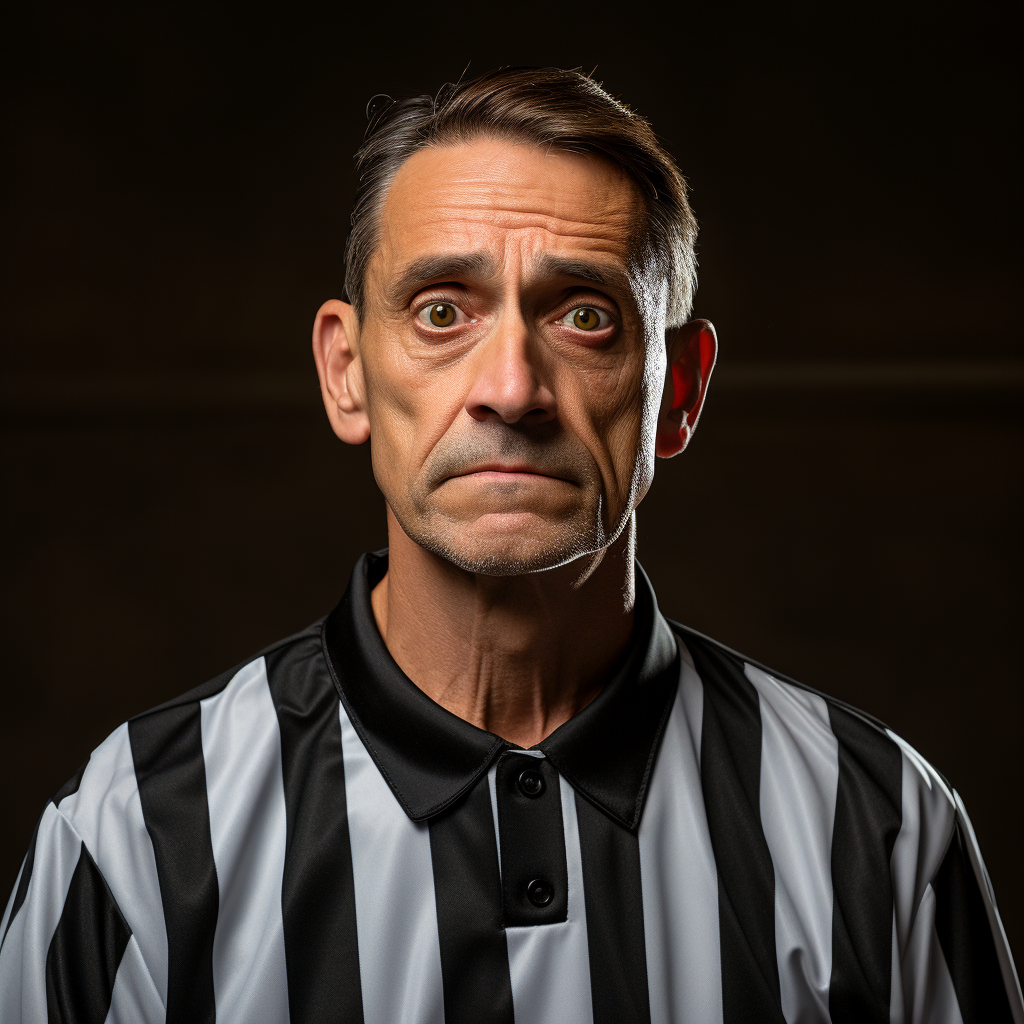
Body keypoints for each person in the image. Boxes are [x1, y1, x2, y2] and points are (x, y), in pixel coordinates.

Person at [1, 66, 1020, 1024]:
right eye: (442, 311)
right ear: (346, 372)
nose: (513, 389)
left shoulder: (875, 826)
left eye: (583, 316)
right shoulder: (138, 830)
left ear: (681, 390)